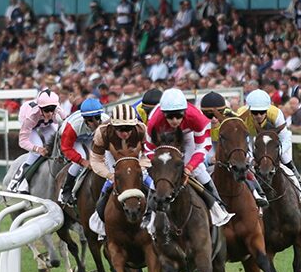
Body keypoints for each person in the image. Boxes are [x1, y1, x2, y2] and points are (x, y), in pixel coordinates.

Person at [144, 87, 232, 226]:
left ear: (184, 112)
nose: (174, 120)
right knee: (162, 172)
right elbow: (148, 149)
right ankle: (149, 214)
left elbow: (203, 146)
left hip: (188, 134)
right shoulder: (154, 121)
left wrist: (189, 167)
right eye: (170, 116)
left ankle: (217, 205)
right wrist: (159, 166)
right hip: (164, 139)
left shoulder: (197, 118)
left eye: (179, 116)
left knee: (198, 169)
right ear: (163, 114)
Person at [89, 103, 151, 239]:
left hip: (136, 157)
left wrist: (139, 168)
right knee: (108, 186)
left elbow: (150, 153)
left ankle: (156, 219)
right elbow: (96, 160)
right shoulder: (102, 132)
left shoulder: (142, 130)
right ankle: (101, 222)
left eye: (129, 129)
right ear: (113, 126)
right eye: (120, 129)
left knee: (151, 184)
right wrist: (109, 175)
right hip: (112, 156)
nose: (125, 133)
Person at [200, 91, 268, 207]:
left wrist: (247, 158)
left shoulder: (232, 121)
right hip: (205, 156)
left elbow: (243, 144)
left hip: (229, 154)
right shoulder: (198, 123)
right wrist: (207, 160)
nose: (214, 119)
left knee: (244, 168)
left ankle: (258, 193)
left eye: (218, 114)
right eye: (209, 116)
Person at [238, 88, 301, 197]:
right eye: (255, 112)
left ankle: (299, 183)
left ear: (267, 109)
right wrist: (250, 158)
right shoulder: (241, 115)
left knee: (284, 156)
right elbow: (243, 141)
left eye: (262, 112)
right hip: (250, 137)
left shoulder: (275, 113)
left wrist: (277, 153)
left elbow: (285, 138)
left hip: (272, 137)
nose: (259, 115)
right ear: (249, 110)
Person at [7, 89, 61, 193]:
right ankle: (21, 181)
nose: (50, 113)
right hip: (30, 124)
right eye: (47, 110)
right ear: (40, 108)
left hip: (46, 124)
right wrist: (37, 149)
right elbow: (22, 141)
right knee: (37, 150)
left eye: (52, 109)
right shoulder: (30, 116)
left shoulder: (58, 111)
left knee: (55, 145)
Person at [58, 97, 108, 206]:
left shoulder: (106, 121)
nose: (95, 123)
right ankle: (66, 191)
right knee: (83, 156)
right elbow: (66, 148)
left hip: (91, 137)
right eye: (90, 120)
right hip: (75, 139)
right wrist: (82, 161)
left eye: (97, 118)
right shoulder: (73, 126)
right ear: (84, 119)